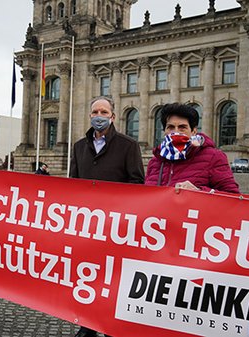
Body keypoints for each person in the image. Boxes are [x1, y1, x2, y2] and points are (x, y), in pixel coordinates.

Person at [70, 96, 144, 337]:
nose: (98, 116)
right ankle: (87, 325)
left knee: (114, 281)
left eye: (103, 111)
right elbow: (72, 185)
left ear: (112, 116)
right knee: (88, 276)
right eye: (94, 111)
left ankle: (113, 328)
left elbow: (137, 184)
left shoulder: (128, 145)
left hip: (116, 227)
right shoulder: (79, 146)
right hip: (88, 226)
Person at [144, 103, 240, 194]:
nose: (176, 132)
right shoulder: (155, 161)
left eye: (182, 127)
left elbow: (233, 197)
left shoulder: (214, 157)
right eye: (170, 127)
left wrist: (198, 191)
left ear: (194, 131)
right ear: (164, 131)